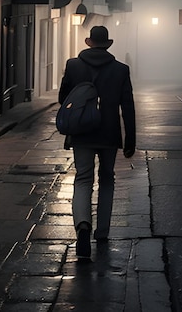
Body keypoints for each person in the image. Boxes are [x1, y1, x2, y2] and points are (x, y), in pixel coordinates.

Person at [58, 25, 136, 260]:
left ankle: (82, 225)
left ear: (89, 42)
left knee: (83, 178)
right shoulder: (121, 70)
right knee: (107, 179)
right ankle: (102, 231)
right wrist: (130, 138)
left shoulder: (73, 65)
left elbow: (63, 99)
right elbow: (128, 107)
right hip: (109, 134)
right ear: (108, 44)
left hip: (82, 132)